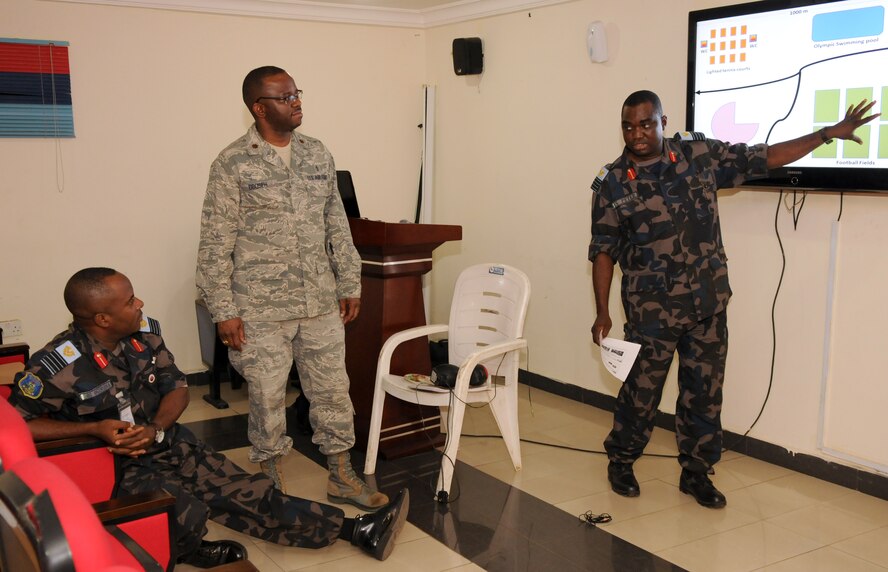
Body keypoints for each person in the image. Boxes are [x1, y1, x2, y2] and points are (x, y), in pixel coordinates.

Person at [589, 90, 878, 508]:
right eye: (628, 126)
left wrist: (826, 134)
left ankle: (696, 473)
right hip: (652, 312)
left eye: (645, 124)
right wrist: (601, 312)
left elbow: (765, 157)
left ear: (663, 122)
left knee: (704, 392)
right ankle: (621, 459)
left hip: (707, 304)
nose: (637, 134)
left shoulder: (699, 155)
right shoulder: (613, 183)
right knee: (641, 391)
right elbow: (603, 250)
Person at [9, 268, 409, 567]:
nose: (140, 304)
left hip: (166, 440)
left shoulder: (144, 335)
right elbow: (17, 424)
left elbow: (178, 387)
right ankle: (189, 548)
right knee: (188, 509)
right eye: (130, 301)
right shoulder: (55, 364)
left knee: (246, 490)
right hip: (114, 464)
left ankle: (357, 529)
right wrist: (95, 429)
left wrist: (158, 428)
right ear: (102, 319)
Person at [195, 66, 386, 511]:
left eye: (296, 93)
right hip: (259, 308)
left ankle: (341, 474)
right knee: (265, 397)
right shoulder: (232, 162)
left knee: (332, 390)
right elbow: (214, 241)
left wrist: (349, 281)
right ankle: (269, 481)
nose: (296, 101)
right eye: (284, 97)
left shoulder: (317, 154)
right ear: (260, 108)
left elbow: (337, 224)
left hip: (319, 301)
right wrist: (223, 309)